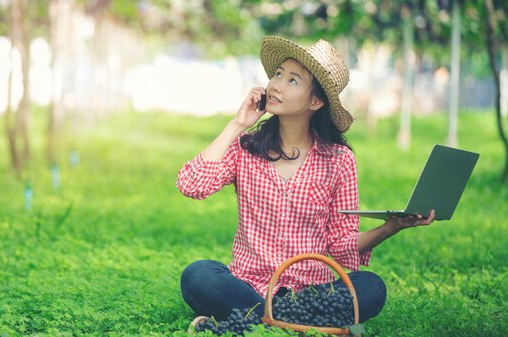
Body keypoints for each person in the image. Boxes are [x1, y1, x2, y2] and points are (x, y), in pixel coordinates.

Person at [176, 36, 435, 326]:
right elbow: (191, 184)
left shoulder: (338, 160)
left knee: (371, 286)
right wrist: (237, 124)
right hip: (249, 285)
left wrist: (390, 227)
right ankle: (292, 322)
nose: (276, 85)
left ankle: (256, 320)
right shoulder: (246, 147)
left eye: (293, 81)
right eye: (277, 75)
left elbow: (340, 245)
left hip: (310, 291)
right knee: (198, 275)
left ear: (316, 100)